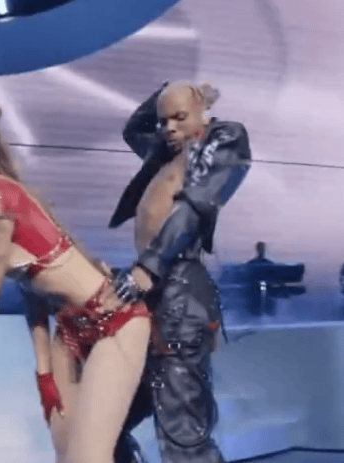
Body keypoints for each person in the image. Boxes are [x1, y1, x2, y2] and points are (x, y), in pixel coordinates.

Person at [0, 102, 152, 463]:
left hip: (114, 320)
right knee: (65, 453)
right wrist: (44, 372)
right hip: (70, 328)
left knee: (89, 457)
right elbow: (32, 291)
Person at [108, 81, 252, 463]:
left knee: (183, 437)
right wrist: (169, 88)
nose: (169, 127)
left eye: (179, 117)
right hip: (151, 295)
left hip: (179, 293)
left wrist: (148, 268)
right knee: (106, 421)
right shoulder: (164, 152)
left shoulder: (222, 143)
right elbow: (133, 128)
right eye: (164, 120)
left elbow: (195, 206)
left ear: (201, 109)